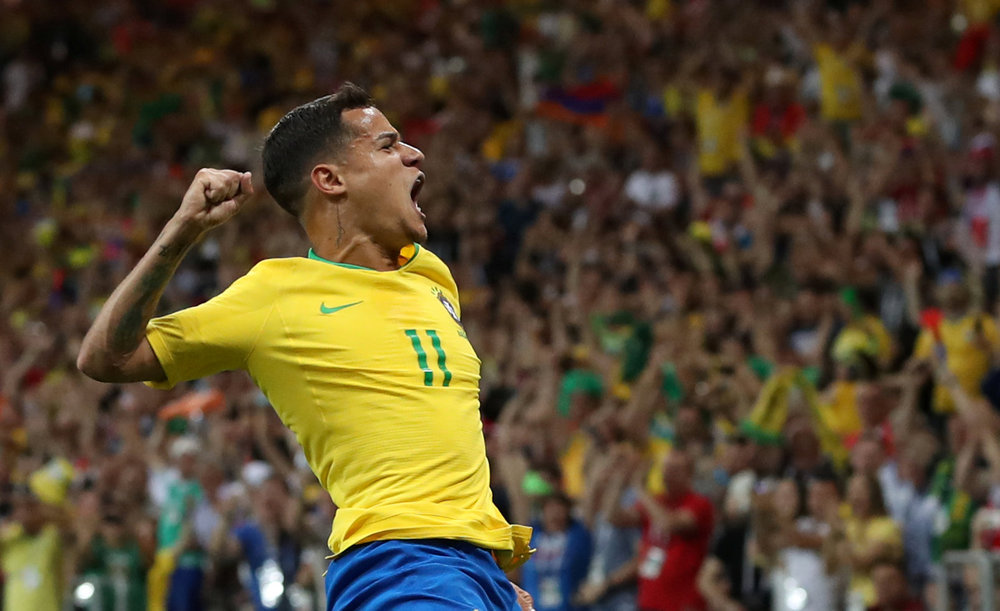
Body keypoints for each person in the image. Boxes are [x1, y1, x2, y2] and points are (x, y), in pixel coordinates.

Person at [77, 83, 534, 610]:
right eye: (387, 146)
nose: (414, 154)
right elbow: (104, 359)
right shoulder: (273, 294)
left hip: (472, 569)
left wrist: (487, 576)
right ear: (330, 179)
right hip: (398, 566)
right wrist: (181, 232)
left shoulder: (432, 276)